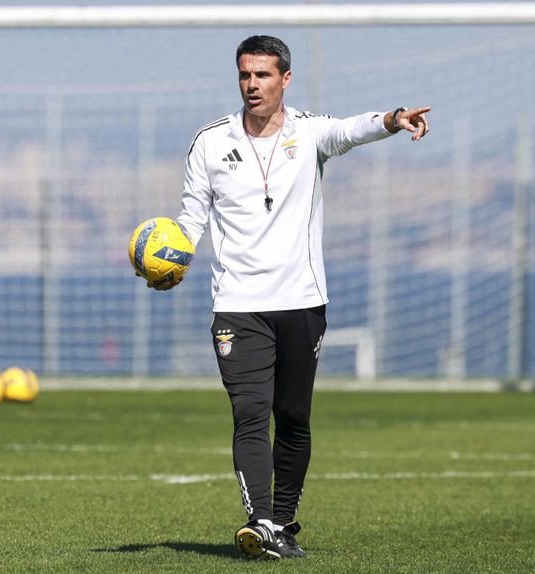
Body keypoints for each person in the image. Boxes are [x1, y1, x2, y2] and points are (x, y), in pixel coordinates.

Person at [148, 35, 429, 560]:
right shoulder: (209, 142)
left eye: (262, 75)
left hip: (302, 301)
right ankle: (259, 521)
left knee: (294, 416)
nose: (252, 85)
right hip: (237, 304)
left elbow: (351, 130)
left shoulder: (310, 132)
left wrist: (392, 119)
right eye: (244, 75)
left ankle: (282, 519)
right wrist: (173, 260)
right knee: (251, 413)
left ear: (285, 79)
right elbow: (190, 218)